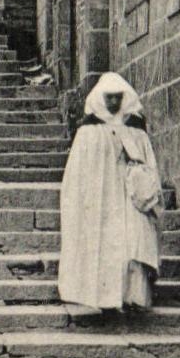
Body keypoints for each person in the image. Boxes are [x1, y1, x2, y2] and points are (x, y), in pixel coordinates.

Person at [57, 72, 162, 316]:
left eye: (118, 97)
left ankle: (132, 298)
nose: (113, 103)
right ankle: (102, 298)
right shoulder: (88, 131)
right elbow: (78, 172)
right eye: (109, 98)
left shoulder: (135, 131)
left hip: (130, 199)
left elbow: (148, 164)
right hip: (100, 199)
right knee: (104, 246)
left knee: (133, 244)